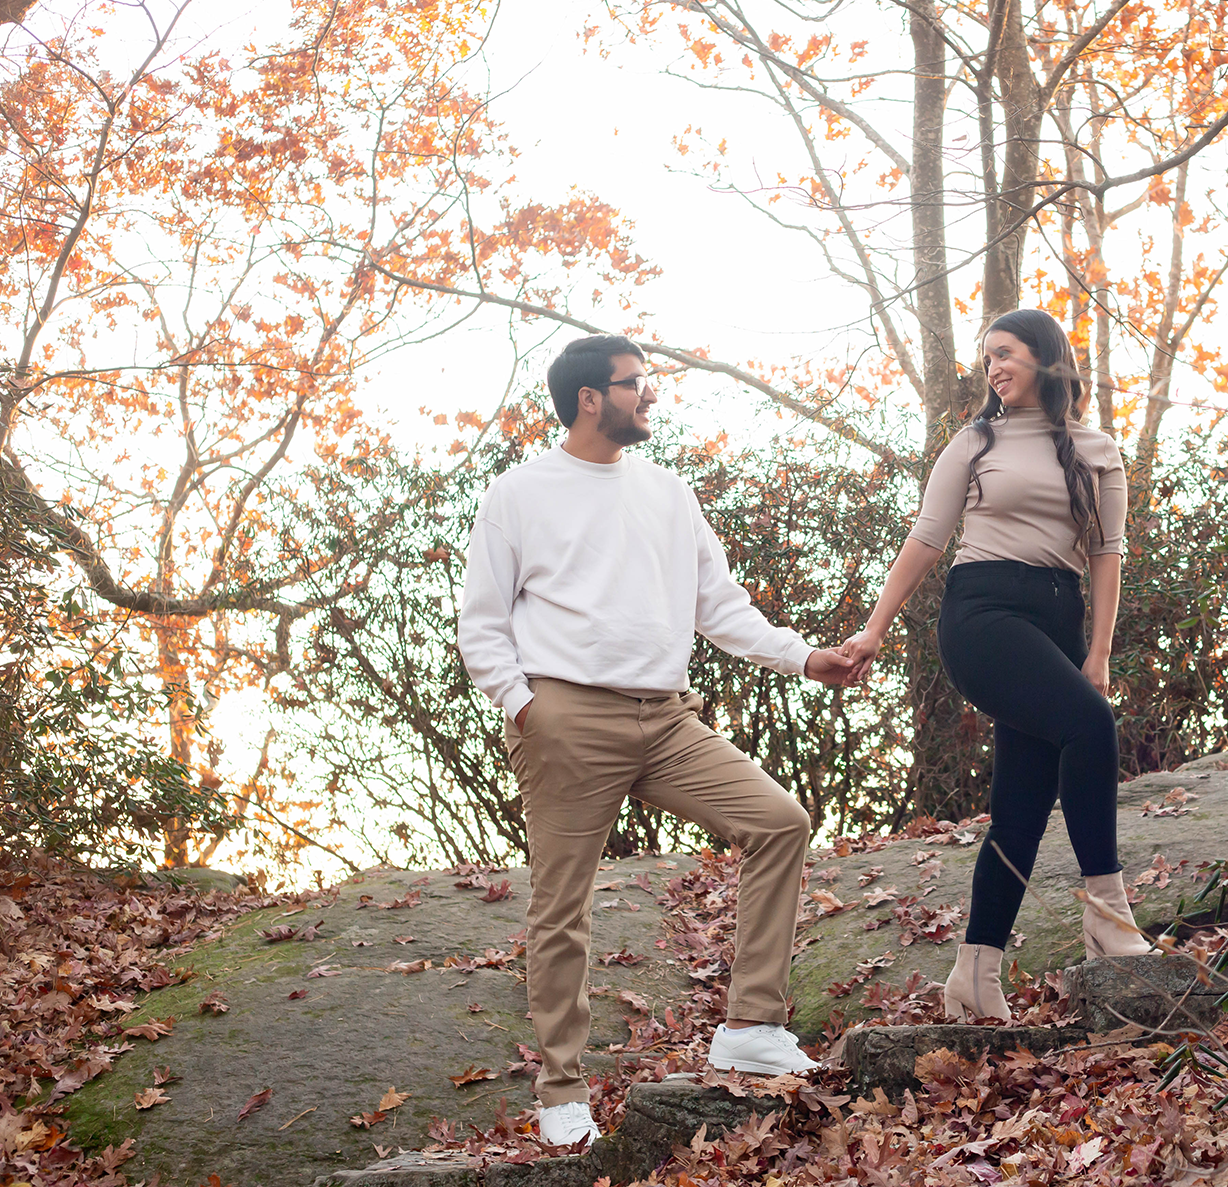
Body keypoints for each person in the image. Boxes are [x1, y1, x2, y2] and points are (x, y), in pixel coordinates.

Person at [457, 334, 855, 1145]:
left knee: (779, 822)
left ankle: (749, 1028)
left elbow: (722, 607)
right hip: (568, 718)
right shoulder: (519, 494)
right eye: (637, 384)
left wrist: (806, 657)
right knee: (562, 904)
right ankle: (561, 1089)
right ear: (590, 398)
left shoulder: (669, 493)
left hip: (668, 718)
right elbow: (482, 623)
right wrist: (526, 707)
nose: (652, 396)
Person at [840, 308, 1149, 1021]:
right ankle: (1107, 913)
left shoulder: (1096, 449)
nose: (994, 369)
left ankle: (974, 977)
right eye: (987, 361)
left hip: (1056, 620)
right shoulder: (975, 443)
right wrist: (874, 630)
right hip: (983, 616)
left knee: (1022, 805)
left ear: (1044, 357)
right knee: (1090, 727)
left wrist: (1097, 654)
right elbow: (925, 538)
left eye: (1004, 354)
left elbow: (1108, 556)